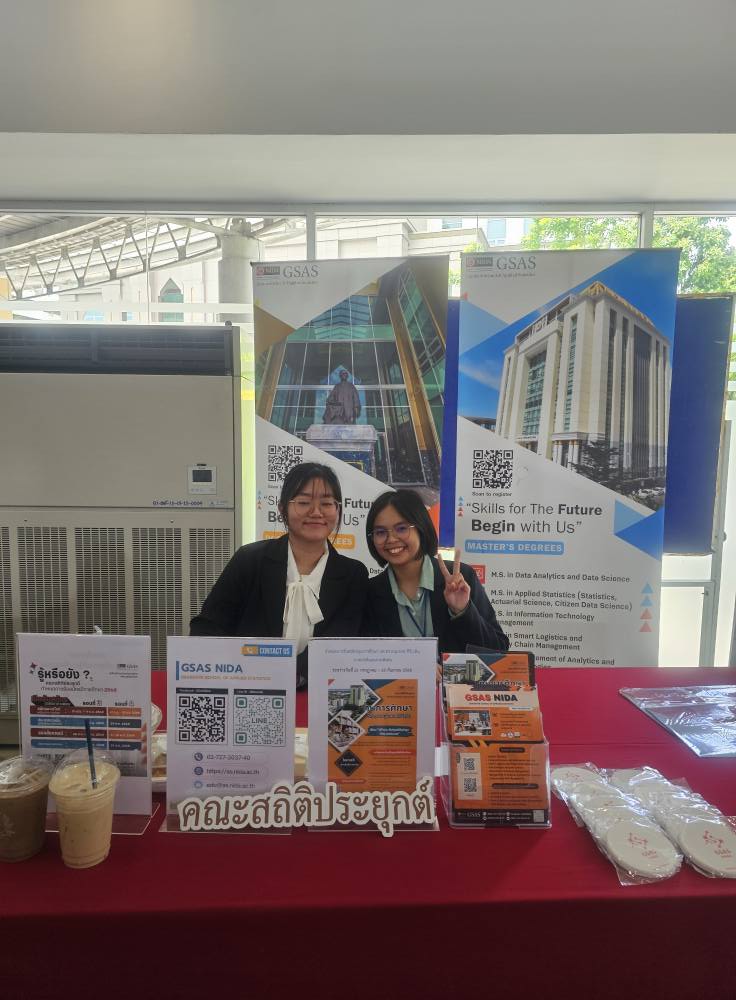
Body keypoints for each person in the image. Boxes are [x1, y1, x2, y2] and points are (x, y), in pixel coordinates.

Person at [190, 462, 368, 688]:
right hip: (249, 688)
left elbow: (341, 646)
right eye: (303, 502)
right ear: (282, 508)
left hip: (317, 693)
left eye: (326, 503)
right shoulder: (249, 560)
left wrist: (291, 676)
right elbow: (207, 628)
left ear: (338, 509)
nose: (316, 512)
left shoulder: (353, 575)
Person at [363, 489, 509, 655]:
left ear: (421, 528)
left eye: (402, 528)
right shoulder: (370, 592)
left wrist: (463, 611)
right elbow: (368, 658)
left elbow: (497, 650)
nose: (391, 539)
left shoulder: (461, 577)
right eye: (380, 532)